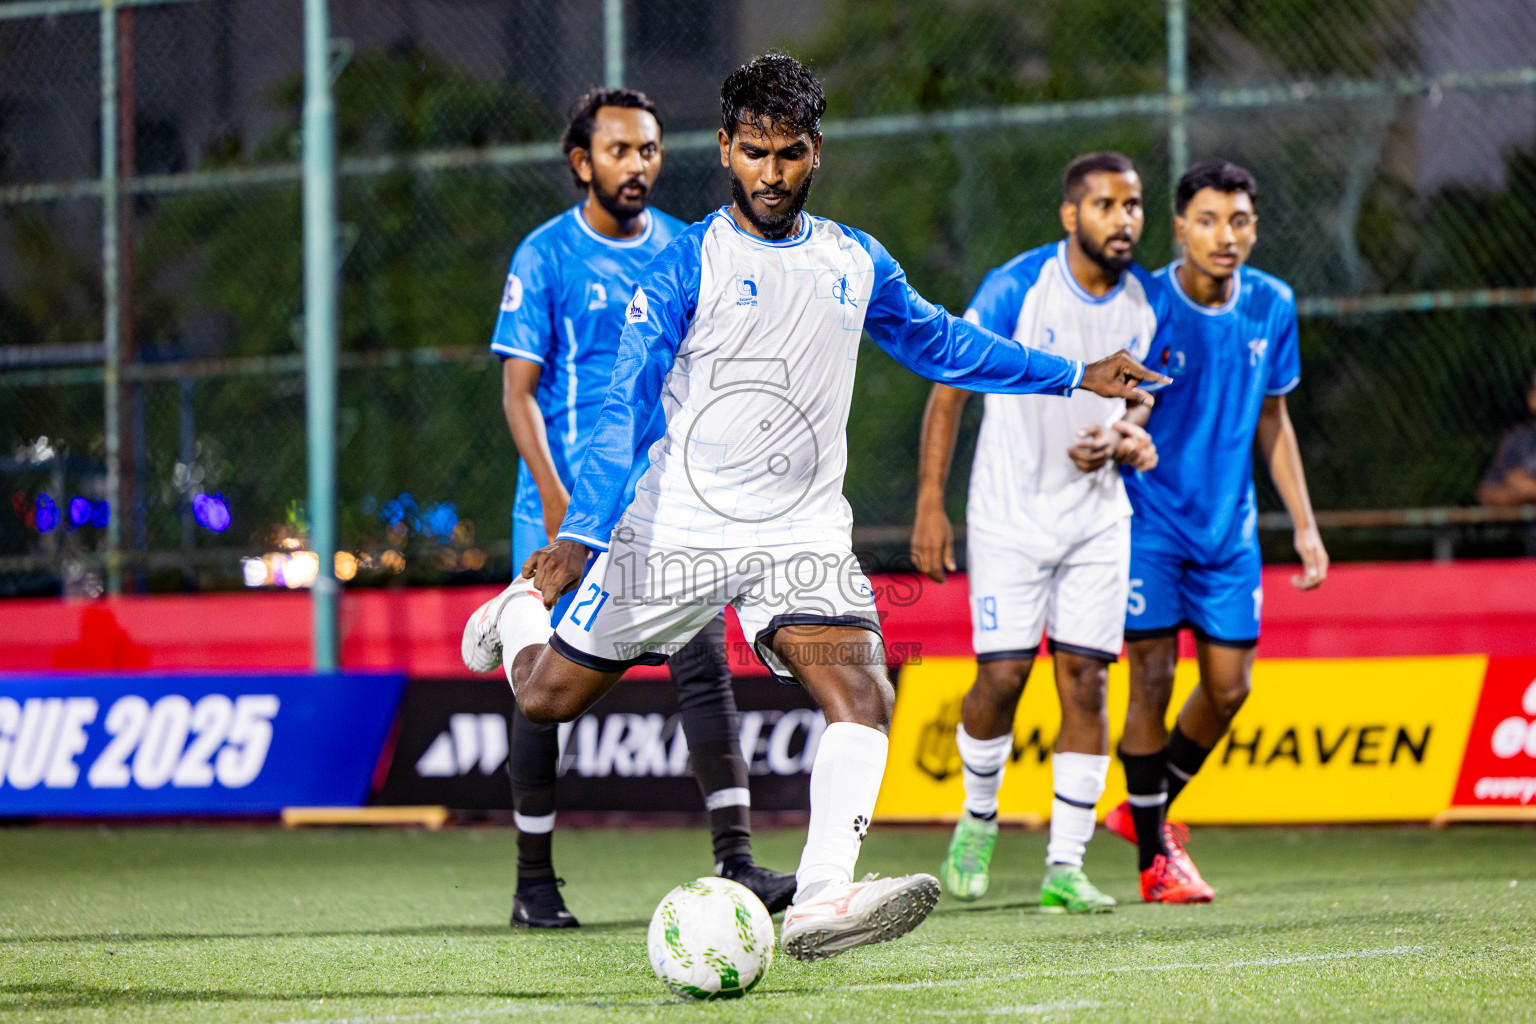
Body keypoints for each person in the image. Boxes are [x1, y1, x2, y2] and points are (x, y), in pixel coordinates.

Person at [492, 53, 1167, 962]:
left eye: (792, 153)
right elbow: (621, 411)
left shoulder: (854, 259)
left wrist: (1071, 375)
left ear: (818, 151)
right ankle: (518, 616)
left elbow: (939, 342)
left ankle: (817, 900)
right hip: (678, 525)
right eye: (756, 153)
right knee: (545, 699)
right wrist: (577, 536)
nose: (774, 175)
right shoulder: (688, 262)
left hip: (798, 531)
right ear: (727, 149)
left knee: (864, 691)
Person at [460, 87, 795, 929]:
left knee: (703, 666)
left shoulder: (688, 247)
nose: (637, 163)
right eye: (619, 151)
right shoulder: (545, 256)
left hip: (666, 507)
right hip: (567, 507)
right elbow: (518, 393)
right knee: (542, 689)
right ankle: (534, 882)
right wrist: (554, 496)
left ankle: (738, 862)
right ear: (583, 163)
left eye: (648, 149)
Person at [911, 152, 1165, 914]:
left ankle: (1065, 865)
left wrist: (1125, 435)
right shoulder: (1018, 285)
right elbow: (950, 384)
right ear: (1070, 215)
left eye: (1133, 205)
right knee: (1003, 680)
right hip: (1008, 515)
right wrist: (931, 501)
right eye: (1106, 205)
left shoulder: (1146, 301)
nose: (1123, 219)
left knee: (1086, 680)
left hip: (1096, 517)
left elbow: (1140, 399)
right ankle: (980, 815)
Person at [1104, 160, 1328, 902]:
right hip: (1150, 525)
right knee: (1154, 681)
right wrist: (1122, 430)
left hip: (1229, 535)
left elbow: (1274, 419)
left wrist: (1304, 527)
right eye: (1207, 220)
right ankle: (1154, 859)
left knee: (1229, 689)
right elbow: (1127, 404)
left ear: (1255, 228)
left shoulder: (1272, 304)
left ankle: (1144, 810)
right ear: (1180, 228)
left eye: (1239, 221)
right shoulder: (1146, 303)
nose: (1224, 235)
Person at [1478, 366, 1536, 510]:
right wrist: (1517, 496)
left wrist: (1531, 491)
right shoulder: (1518, 440)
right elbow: (1486, 492)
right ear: (1531, 400)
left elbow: (1525, 488)